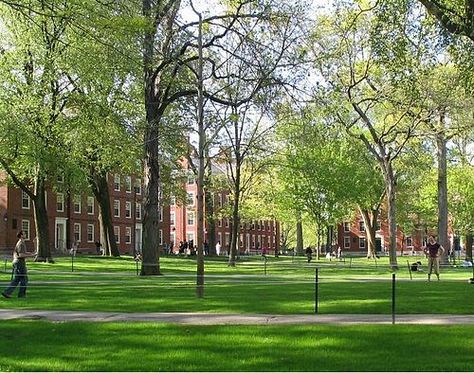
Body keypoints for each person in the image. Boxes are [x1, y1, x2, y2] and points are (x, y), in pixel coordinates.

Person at [2, 231, 36, 299]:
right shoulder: (21, 243)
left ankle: (7, 292)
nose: (25, 234)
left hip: (17, 262)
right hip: (19, 263)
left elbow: (24, 252)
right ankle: (21, 295)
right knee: (24, 279)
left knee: (17, 279)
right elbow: (21, 255)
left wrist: (31, 253)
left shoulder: (21, 243)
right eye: (24, 234)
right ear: (21, 235)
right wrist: (31, 255)